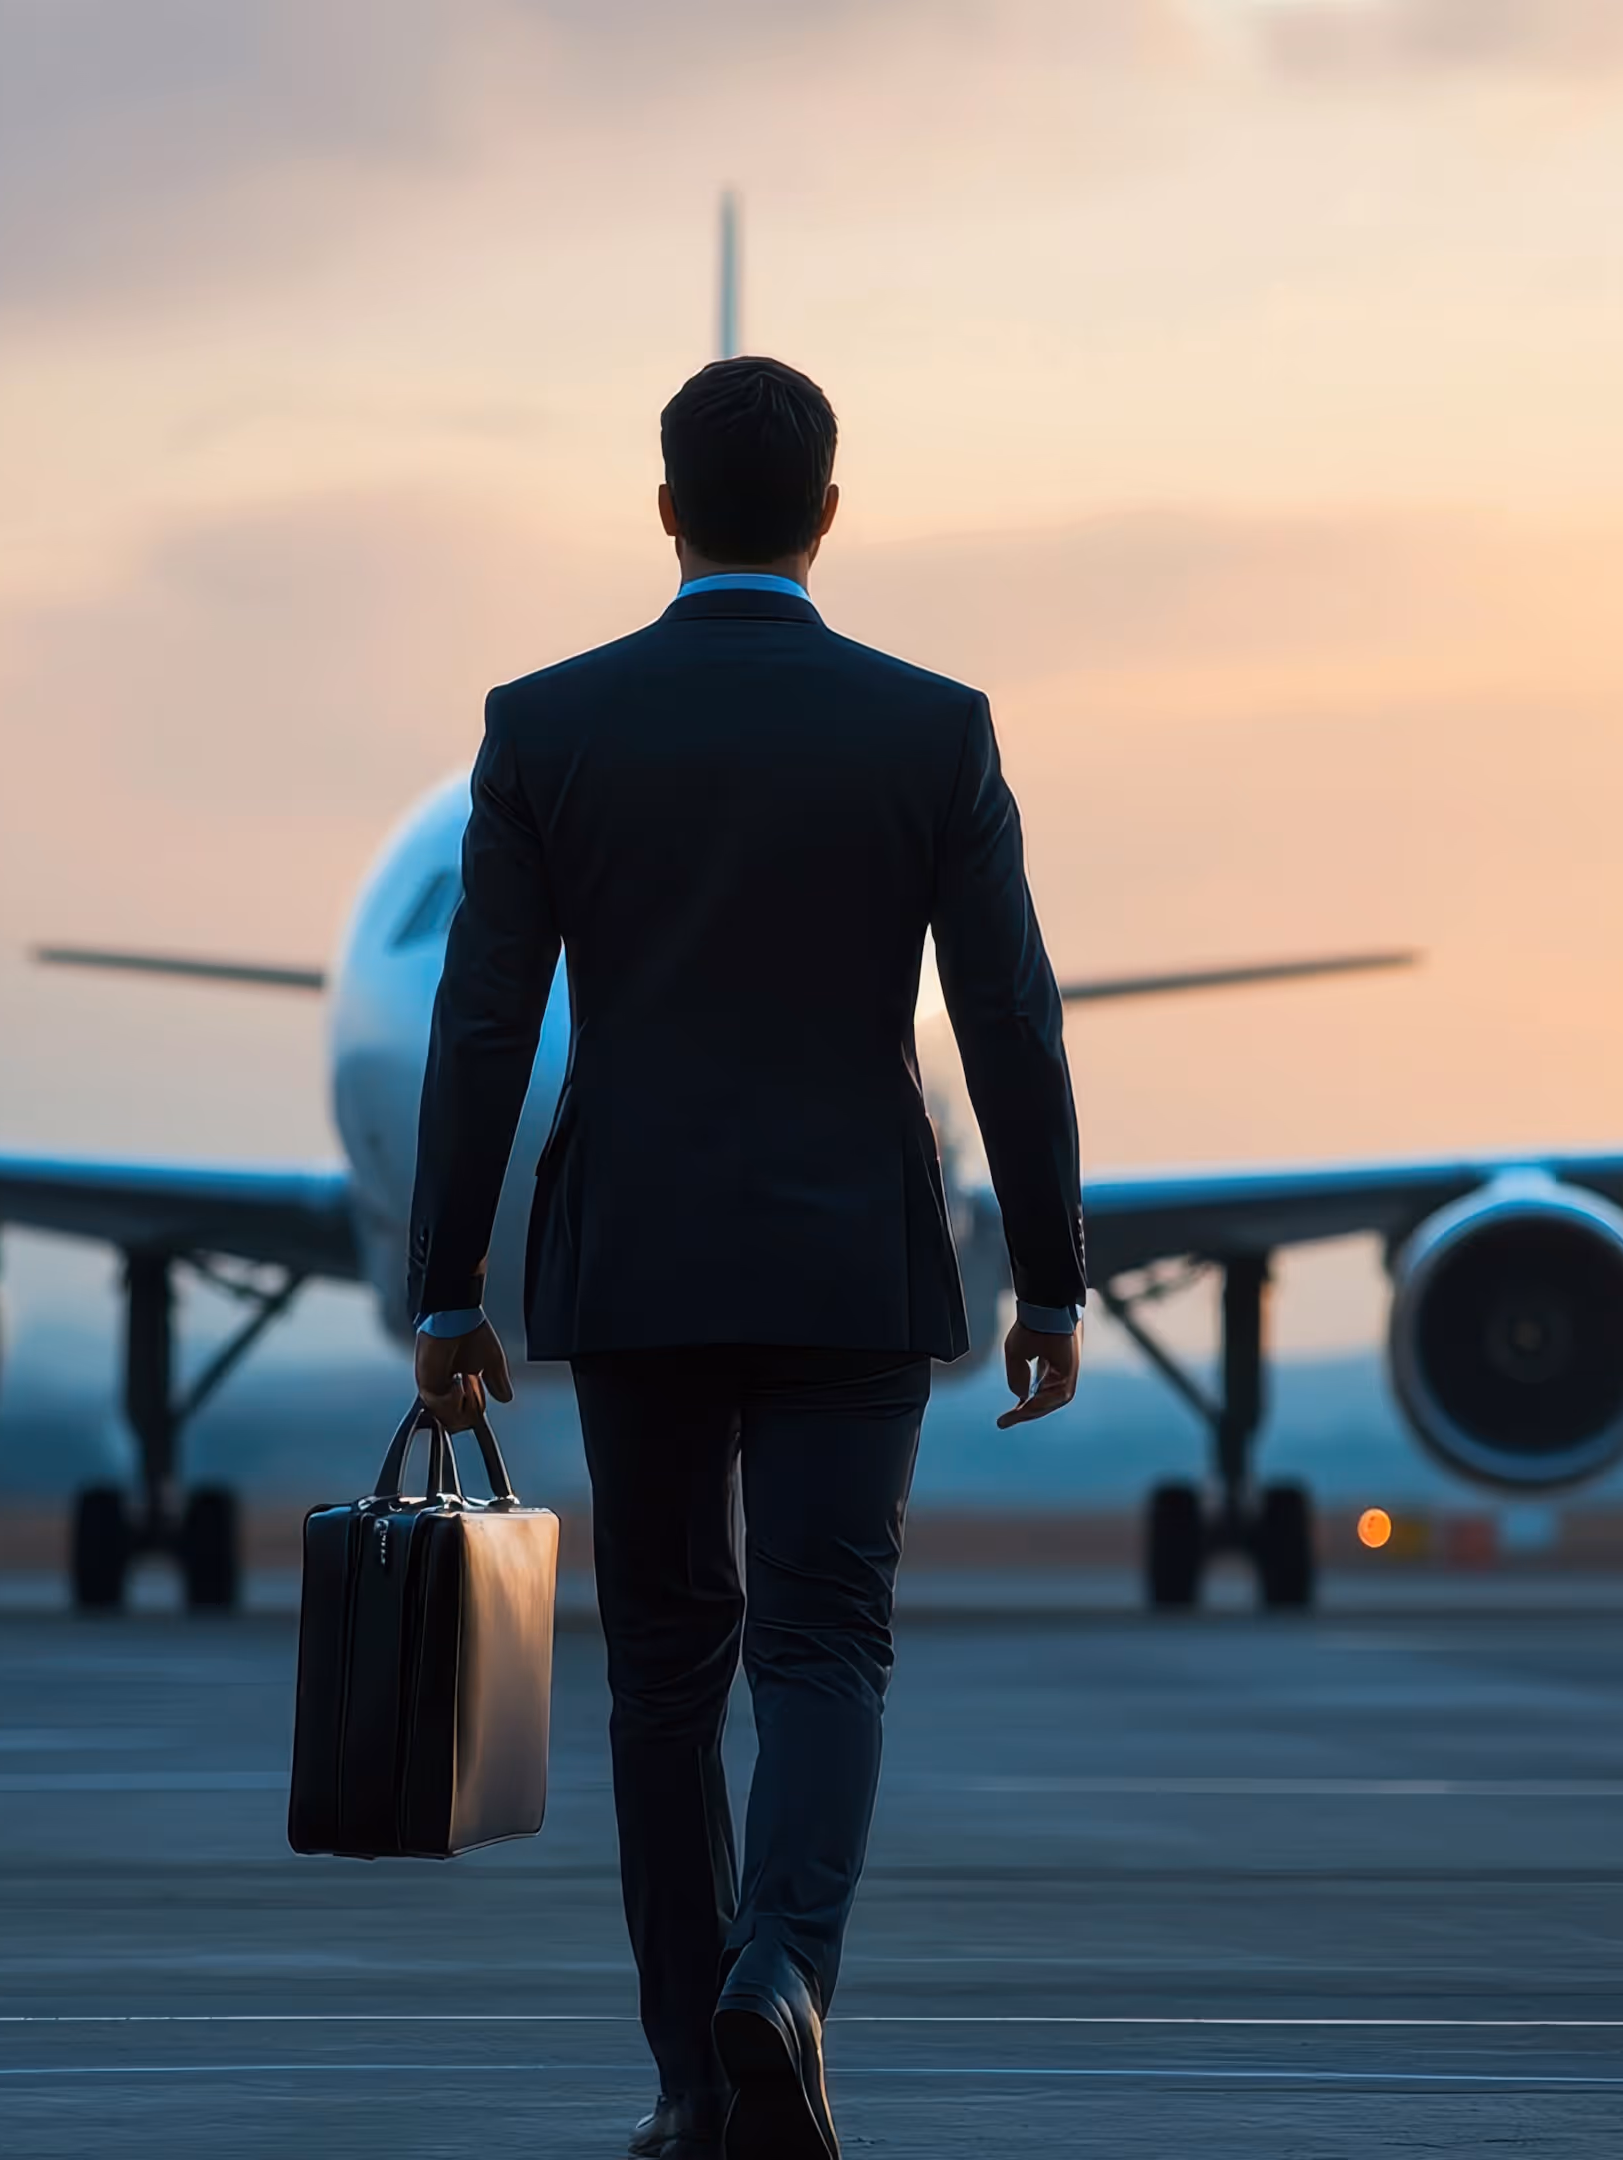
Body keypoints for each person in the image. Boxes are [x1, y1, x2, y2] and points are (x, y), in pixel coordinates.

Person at [401, 356, 1087, 2160]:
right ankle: (780, 1980)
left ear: (665, 511)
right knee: (827, 1646)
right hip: (855, 1253)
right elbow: (1009, 1015)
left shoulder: (546, 726)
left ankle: (693, 2084)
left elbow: (480, 1029)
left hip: (635, 1254)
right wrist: (1056, 1273)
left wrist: (447, 1287)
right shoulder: (932, 729)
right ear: (831, 517)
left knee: (664, 1667)